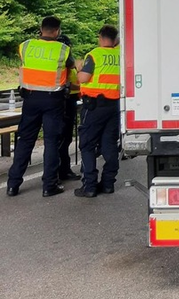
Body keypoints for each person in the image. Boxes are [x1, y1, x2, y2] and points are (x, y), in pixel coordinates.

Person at [7, 16, 75, 197]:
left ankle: (13, 185)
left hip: (30, 99)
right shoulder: (63, 49)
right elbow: (72, 67)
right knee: (52, 142)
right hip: (53, 100)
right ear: (58, 31)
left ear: (41, 29)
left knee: (25, 141)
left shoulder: (26, 46)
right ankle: (49, 185)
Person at [74, 25, 121, 198]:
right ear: (115, 39)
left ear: (100, 37)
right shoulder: (120, 55)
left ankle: (90, 186)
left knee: (87, 145)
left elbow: (83, 78)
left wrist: (79, 69)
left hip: (94, 106)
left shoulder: (94, 55)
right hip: (115, 106)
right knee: (109, 144)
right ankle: (108, 184)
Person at [57, 34, 82, 182]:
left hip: (69, 100)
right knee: (62, 139)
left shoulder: (68, 63)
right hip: (65, 101)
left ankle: (63, 170)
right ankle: (61, 170)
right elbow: (66, 83)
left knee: (64, 139)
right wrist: (82, 87)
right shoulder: (63, 63)